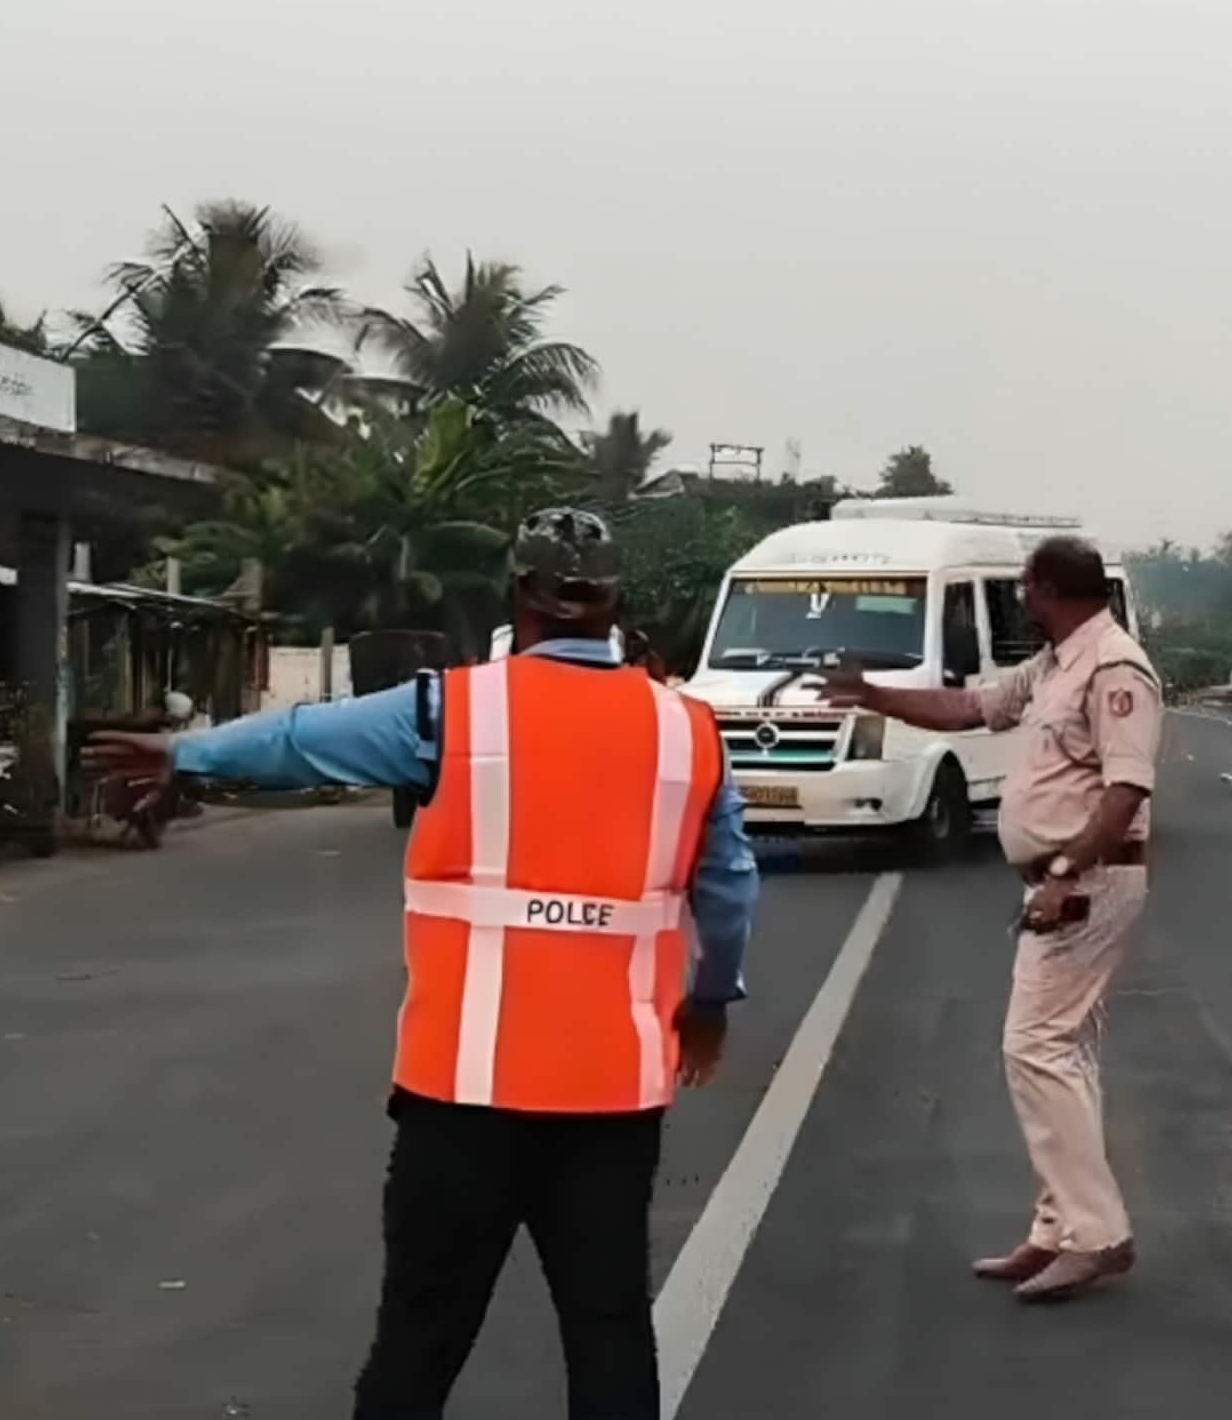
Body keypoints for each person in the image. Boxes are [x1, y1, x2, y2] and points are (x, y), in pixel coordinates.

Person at [84, 507, 759, 1419]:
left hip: (461, 1099)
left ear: (521, 595)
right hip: (611, 1097)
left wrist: (185, 752)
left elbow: (302, 737)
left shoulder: (452, 708)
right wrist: (708, 1004)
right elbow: (729, 893)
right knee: (607, 1334)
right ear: (611, 603)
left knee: (420, 1336)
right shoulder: (688, 733)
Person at [822, 535, 1160, 1303]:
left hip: (1087, 881)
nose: (1020, 600)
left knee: (1034, 1048)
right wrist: (873, 693)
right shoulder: (1055, 664)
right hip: (1059, 879)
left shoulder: (1116, 668)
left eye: (1025, 588)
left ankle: (1097, 1233)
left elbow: (1125, 792)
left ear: (1048, 587)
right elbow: (969, 708)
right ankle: (1056, 1230)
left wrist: (1066, 872)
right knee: (1061, 1056)